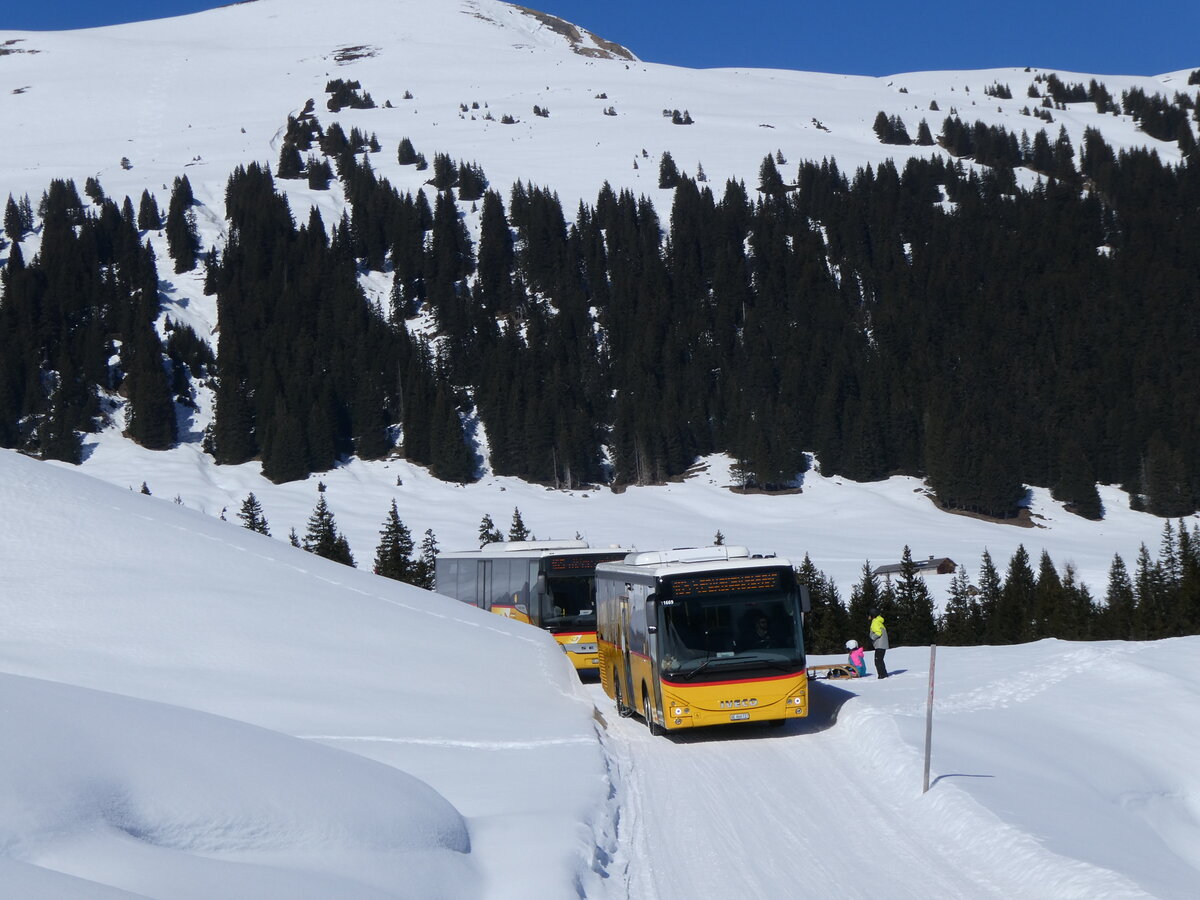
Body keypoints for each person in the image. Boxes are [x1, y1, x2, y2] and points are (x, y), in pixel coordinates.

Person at [869, 608, 889, 679]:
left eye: (869, 615)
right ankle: (884, 674)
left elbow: (878, 633)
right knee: (880, 660)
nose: (868, 617)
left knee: (877, 661)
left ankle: (882, 675)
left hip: (880, 645)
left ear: (873, 615)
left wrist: (872, 637)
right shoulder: (879, 621)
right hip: (882, 644)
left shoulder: (875, 622)